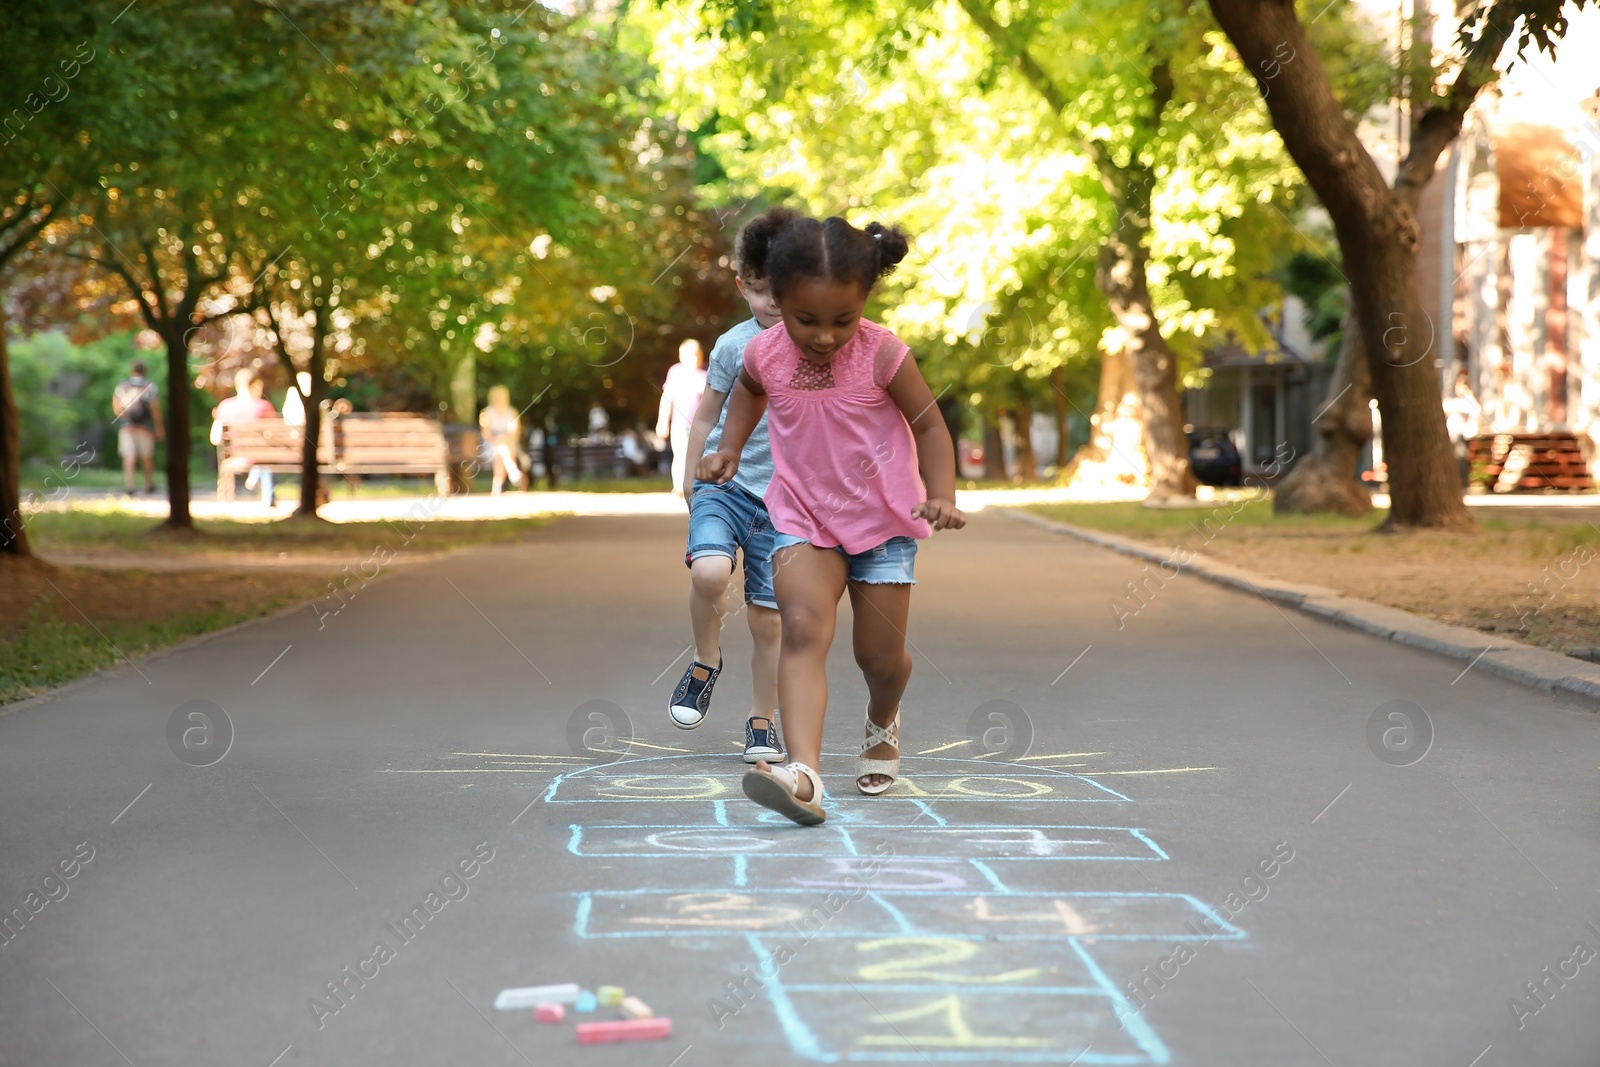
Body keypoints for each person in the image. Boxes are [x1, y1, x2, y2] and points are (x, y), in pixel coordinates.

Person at [698, 213, 966, 825]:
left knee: (879, 656)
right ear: (779, 298)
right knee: (801, 628)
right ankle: (805, 776)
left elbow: (928, 424)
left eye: (842, 320)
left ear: (863, 301)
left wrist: (942, 493)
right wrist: (730, 448)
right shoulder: (764, 352)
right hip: (802, 515)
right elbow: (746, 392)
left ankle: (882, 717)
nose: (823, 336)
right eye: (806, 320)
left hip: (884, 521)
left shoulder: (885, 354)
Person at [669, 207, 796, 763]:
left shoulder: (813, 344)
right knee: (710, 572)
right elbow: (704, 417)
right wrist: (689, 474)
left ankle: (762, 720)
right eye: (763, 291)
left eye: (784, 291)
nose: (773, 303)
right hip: (726, 482)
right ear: (743, 285)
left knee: (770, 618)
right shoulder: (730, 346)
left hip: (786, 500)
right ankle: (705, 660)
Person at [211, 368, 279, 506]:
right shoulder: (264, 407)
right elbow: (275, 434)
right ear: (256, 384)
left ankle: (250, 479)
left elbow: (215, 438)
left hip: (235, 455)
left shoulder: (225, 406)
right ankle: (267, 496)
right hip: (260, 457)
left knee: (259, 458)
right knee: (264, 458)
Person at [658, 339, 707, 497]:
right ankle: (679, 486)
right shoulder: (675, 372)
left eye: (696, 356)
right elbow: (667, 397)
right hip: (679, 423)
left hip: (699, 425)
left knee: (698, 455)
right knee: (680, 454)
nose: (693, 360)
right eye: (689, 356)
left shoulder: (704, 375)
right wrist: (662, 421)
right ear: (681, 356)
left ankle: (695, 484)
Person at [111, 360, 164, 496]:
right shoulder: (150, 387)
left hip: (127, 427)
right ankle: (149, 484)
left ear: (132, 370)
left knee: (129, 456)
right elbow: (154, 408)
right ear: (145, 371)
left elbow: (117, 407)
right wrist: (159, 426)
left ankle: (130, 486)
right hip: (145, 427)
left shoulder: (123, 386)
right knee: (146, 457)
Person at [479, 385, 527, 494]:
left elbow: (514, 434)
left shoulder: (512, 412)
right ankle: (512, 470)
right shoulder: (486, 413)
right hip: (490, 446)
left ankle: (497, 486)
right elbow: (486, 434)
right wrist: (499, 439)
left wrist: (503, 439)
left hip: (509, 444)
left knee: (501, 451)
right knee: (500, 449)